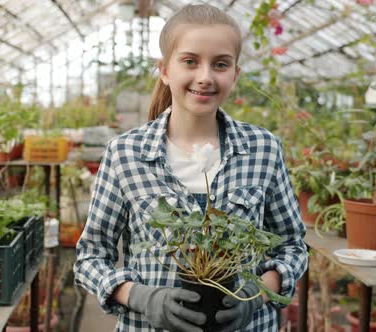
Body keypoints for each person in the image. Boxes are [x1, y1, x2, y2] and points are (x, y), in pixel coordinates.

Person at [74, 4, 307, 332]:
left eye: (221, 64)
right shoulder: (125, 154)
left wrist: (257, 295)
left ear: (235, 74)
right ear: (165, 70)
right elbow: (90, 257)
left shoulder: (263, 149)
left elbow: (292, 246)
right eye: (190, 61)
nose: (205, 77)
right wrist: (141, 297)